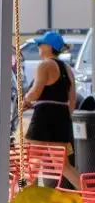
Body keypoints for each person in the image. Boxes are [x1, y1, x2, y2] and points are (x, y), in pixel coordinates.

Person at [23, 30, 81, 188]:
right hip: (61, 119)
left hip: (43, 119)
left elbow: (36, 91)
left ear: (49, 47)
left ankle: (24, 197)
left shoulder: (44, 65)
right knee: (64, 166)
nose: (38, 46)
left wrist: (25, 100)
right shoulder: (67, 69)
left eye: (41, 43)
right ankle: (91, 197)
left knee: (31, 164)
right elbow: (72, 100)